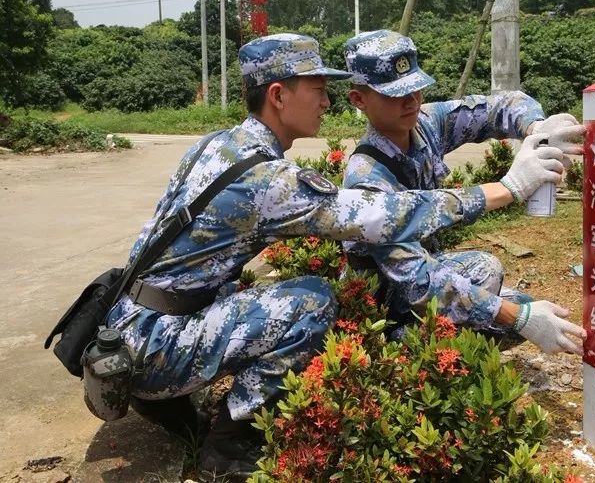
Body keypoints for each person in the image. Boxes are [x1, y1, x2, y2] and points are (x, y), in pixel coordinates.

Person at [103, 33, 566, 478]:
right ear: (279, 96)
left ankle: (166, 394)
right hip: (153, 344)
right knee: (311, 301)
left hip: (135, 324)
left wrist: (538, 127)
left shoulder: (221, 145)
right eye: (319, 90)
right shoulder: (269, 181)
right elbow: (380, 216)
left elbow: (492, 108)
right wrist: (508, 189)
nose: (327, 102)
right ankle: (228, 443)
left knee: (263, 292)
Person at [342, 29, 587, 354]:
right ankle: (411, 356)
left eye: (415, 87)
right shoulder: (367, 178)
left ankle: (450, 351)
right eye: (393, 94)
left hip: (419, 276)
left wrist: (537, 128)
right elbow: (419, 283)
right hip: (383, 309)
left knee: (514, 301)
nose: (410, 101)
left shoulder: (424, 124)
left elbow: (499, 106)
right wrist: (520, 318)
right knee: (489, 276)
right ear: (359, 99)